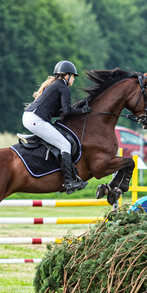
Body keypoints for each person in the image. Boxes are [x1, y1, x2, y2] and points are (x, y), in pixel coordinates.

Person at [23, 60, 92, 194]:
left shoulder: (55, 85)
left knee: (59, 141)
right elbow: (67, 112)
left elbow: (56, 112)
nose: (73, 79)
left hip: (30, 117)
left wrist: (77, 110)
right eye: (73, 76)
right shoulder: (63, 88)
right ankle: (69, 182)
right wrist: (82, 111)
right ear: (66, 75)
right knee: (65, 145)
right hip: (35, 119)